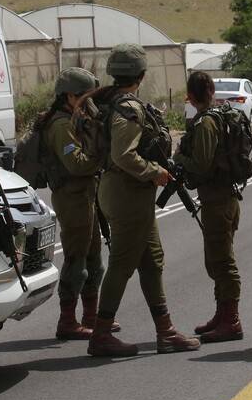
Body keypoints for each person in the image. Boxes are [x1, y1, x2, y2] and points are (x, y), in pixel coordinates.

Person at [87, 43, 200, 357]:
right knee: (122, 264)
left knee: (151, 260)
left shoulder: (110, 103)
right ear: (140, 74)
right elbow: (123, 155)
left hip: (126, 193)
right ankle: (101, 334)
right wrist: (155, 172)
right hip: (127, 194)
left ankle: (165, 331)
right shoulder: (128, 108)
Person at [40, 67, 111, 340]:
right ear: (69, 96)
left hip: (86, 195)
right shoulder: (60, 125)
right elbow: (76, 164)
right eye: (84, 96)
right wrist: (99, 154)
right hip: (72, 197)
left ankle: (91, 317)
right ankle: (67, 321)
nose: (88, 101)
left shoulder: (75, 118)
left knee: (94, 259)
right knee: (76, 260)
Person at [175, 71, 243, 343]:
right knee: (216, 259)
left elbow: (202, 164)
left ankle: (231, 320)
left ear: (190, 97)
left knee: (222, 261)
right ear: (212, 91)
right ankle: (222, 314)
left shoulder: (205, 124)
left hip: (218, 200)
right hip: (223, 197)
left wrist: (179, 158)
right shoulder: (220, 115)